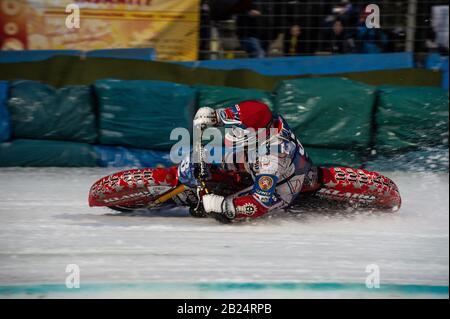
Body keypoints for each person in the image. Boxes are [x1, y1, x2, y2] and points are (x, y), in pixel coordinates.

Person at [178, 100, 318, 222]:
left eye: (240, 129)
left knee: (221, 210)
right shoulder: (266, 118)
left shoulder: (272, 159)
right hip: (257, 160)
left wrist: (220, 205)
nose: (234, 131)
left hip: (276, 192)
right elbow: (240, 113)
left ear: (255, 132)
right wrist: (212, 116)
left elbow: (260, 203)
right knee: (209, 160)